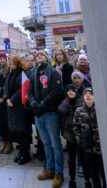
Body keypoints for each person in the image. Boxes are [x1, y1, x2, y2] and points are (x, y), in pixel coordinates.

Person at [28, 50, 64, 188]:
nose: (39, 57)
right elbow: (29, 91)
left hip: (50, 113)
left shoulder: (54, 72)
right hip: (38, 114)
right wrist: (33, 103)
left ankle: (59, 173)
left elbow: (57, 91)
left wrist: (43, 104)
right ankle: (49, 169)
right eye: (37, 56)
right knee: (46, 144)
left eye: (42, 55)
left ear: (46, 57)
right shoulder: (34, 73)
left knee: (55, 144)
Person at [58, 84, 92, 188]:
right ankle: (72, 179)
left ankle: (87, 180)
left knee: (84, 158)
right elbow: (61, 117)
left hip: (81, 135)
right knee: (71, 159)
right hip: (70, 136)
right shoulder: (64, 103)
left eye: (72, 90)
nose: (71, 92)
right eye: (68, 91)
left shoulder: (81, 102)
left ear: (76, 92)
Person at [73, 88, 106, 188]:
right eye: (86, 94)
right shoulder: (79, 111)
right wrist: (81, 141)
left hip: (101, 149)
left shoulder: (100, 109)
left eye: (90, 94)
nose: (88, 95)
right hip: (88, 148)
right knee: (93, 174)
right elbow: (75, 127)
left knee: (104, 174)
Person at [5, 55, 32, 165]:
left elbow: (22, 89)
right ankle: (21, 151)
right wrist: (6, 98)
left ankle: (26, 153)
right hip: (12, 107)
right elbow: (6, 87)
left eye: (11, 63)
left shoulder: (21, 73)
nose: (9, 64)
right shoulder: (11, 73)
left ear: (16, 64)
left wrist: (12, 99)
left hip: (20, 107)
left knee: (23, 131)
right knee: (16, 131)